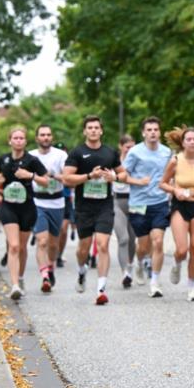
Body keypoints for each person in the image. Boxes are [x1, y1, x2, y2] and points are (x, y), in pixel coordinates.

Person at [62, 115, 126, 305]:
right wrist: (90, 176)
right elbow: (67, 178)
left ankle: (101, 290)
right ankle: (82, 271)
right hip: (84, 208)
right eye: (90, 127)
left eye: (96, 127)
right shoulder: (77, 153)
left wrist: (114, 177)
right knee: (84, 248)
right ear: (84, 131)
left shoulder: (110, 152)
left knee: (103, 244)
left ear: (101, 131)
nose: (93, 130)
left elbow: (124, 174)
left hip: (105, 206)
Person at [159, 126, 194, 301]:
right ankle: (177, 263)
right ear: (183, 143)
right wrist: (175, 190)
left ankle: (191, 288)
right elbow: (162, 183)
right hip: (180, 206)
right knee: (182, 250)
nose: (192, 142)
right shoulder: (175, 161)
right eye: (188, 139)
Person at [0, 126, 49, 300]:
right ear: (9, 141)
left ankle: (21, 277)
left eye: (21, 138)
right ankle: (15, 285)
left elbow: (46, 181)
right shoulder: (3, 159)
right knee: (14, 246)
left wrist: (29, 175)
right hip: (8, 207)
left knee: (23, 247)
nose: (18, 141)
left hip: (27, 208)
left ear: (26, 141)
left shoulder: (32, 160)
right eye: (15, 138)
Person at [123, 116, 172, 297]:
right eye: (149, 130)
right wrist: (139, 181)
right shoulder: (135, 152)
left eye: (155, 130)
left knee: (158, 241)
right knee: (143, 246)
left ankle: (155, 282)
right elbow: (123, 176)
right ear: (143, 133)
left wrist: (172, 187)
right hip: (138, 203)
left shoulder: (167, 152)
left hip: (160, 202)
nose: (153, 133)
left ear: (159, 132)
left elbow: (172, 173)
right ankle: (139, 262)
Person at [29, 124, 68, 293]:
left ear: (52, 137)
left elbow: (67, 178)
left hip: (57, 202)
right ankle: (44, 276)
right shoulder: (30, 156)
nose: (45, 137)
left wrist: (53, 175)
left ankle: (50, 267)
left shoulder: (61, 155)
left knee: (53, 245)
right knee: (42, 241)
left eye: (48, 135)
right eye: (42, 135)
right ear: (37, 138)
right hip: (37, 202)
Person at [112, 134, 138, 288]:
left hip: (135, 201)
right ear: (121, 147)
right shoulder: (114, 162)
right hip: (117, 201)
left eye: (133, 147)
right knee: (123, 238)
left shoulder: (139, 162)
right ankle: (125, 273)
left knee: (133, 240)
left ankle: (130, 264)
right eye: (128, 147)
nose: (130, 150)